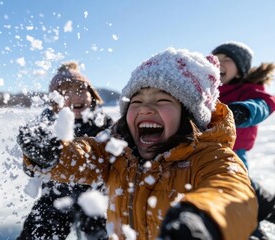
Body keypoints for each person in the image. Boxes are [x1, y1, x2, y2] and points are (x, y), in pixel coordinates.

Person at [17, 48, 258, 239]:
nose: (146, 108)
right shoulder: (120, 152)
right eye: (136, 101)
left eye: (162, 99)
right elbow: (88, 155)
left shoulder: (209, 157)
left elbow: (230, 190)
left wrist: (205, 219)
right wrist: (53, 155)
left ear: (189, 115)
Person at [17, 61, 113, 240]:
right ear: (55, 101)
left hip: (95, 197)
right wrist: (37, 159)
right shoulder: (46, 123)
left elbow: (115, 157)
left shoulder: (103, 122)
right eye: (64, 92)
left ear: (91, 94)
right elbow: (30, 165)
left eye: (81, 89)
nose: (74, 96)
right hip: (56, 196)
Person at [212, 41, 275, 239]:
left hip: (234, 156)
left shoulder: (249, 91)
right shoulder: (206, 91)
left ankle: (252, 232)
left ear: (239, 71)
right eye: (216, 59)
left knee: (238, 200)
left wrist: (242, 111)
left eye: (227, 59)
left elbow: (264, 105)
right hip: (200, 153)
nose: (219, 62)